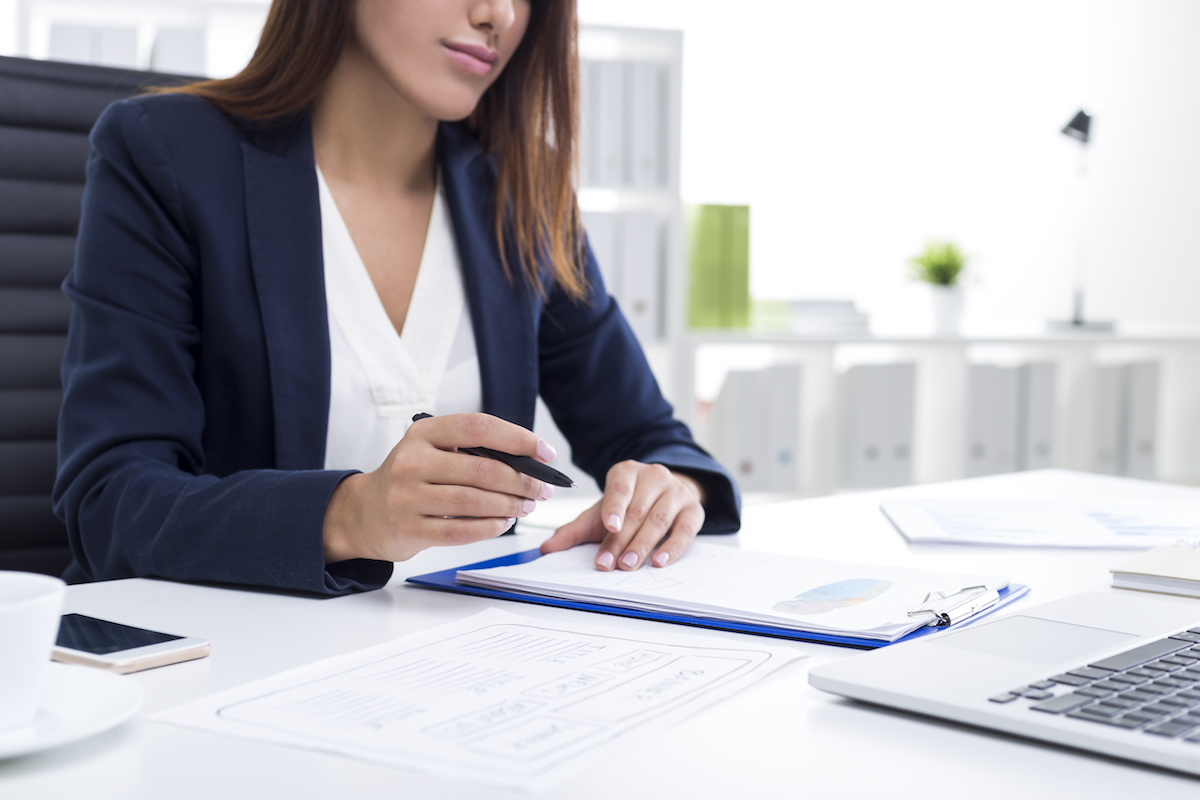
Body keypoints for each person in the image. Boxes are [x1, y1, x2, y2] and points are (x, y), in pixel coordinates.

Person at [53, 0, 739, 596]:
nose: (496, 13)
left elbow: (652, 438)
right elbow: (111, 501)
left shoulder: (519, 198)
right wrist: (351, 514)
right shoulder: (166, 155)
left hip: (455, 667)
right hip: (225, 668)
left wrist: (668, 490)